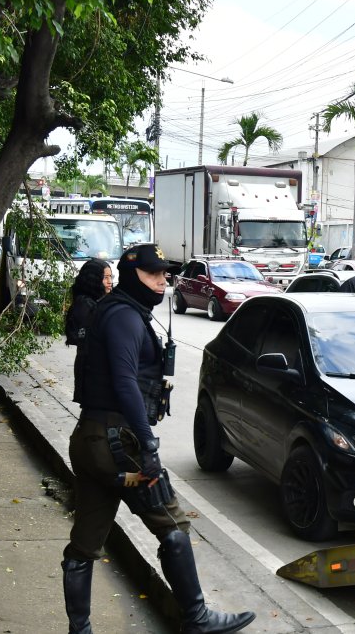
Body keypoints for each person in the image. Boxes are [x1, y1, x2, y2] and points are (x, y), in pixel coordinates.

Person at [62, 243, 254, 634]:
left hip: (92, 439)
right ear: (132, 275)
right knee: (173, 527)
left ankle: (79, 630)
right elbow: (125, 383)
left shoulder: (116, 311)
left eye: (165, 274)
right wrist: (147, 445)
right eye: (153, 274)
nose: (162, 282)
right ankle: (197, 618)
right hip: (119, 445)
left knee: (83, 546)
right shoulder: (124, 318)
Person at [65, 259, 112, 347]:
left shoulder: (97, 300)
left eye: (110, 277)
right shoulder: (85, 304)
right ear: (93, 279)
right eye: (105, 277)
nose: (110, 282)